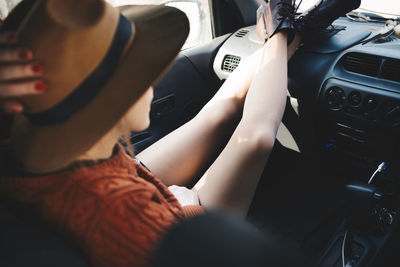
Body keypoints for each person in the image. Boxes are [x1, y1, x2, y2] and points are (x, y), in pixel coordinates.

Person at [0, 0, 361, 266]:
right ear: (106, 102)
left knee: (215, 115)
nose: (153, 80)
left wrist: (282, 35)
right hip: (165, 229)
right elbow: (257, 135)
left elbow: (222, 108)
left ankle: (286, 32)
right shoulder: (128, 219)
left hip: (85, 185)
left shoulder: (34, 150)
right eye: (140, 71)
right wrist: (186, 210)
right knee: (251, 139)